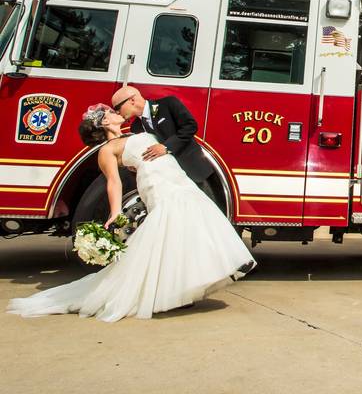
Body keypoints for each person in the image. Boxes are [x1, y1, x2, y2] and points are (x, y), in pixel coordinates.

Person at [7, 104, 255, 322]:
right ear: (104, 122)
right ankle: (169, 292)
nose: (116, 113)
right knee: (170, 236)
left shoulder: (133, 133)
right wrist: (115, 212)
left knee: (188, 233)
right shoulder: (106, 150)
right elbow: (113, 182)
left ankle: (180, 287)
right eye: (110, 113)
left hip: (178, 181)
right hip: (160, 187)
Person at [111, 86, 217, 201]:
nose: (117, 112)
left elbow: (190, 126)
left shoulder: (168, 104)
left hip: (193, 171)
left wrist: (166, 147)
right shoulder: (135, 127)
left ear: (132, 100)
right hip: (168, 179)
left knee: (206, 209)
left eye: (117, 107)